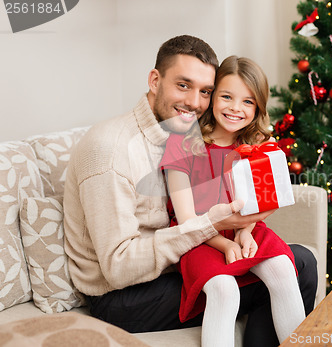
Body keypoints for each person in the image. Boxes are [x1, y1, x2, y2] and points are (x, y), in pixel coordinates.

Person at [63, 35, 318, 347]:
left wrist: (240, 228)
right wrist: (214, 229)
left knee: (293, 260)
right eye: (183, 85)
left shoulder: (182, 131)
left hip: (176, 261)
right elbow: (118, 270)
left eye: (205, 92)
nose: (196, 102)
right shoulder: (111, 151)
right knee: (298, 265)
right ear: (155, 80)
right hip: (123, 296)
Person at [160, 55, 305, 346]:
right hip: (198, 238)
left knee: (284, 270)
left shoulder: (255, 147)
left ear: (258, 106)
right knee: (224, 290)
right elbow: (187, 220)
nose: (236, 108)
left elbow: (260, 204)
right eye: (227, 96)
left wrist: (244, 232)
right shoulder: (183, 142)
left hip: (242, 227)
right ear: (212, 97)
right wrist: (226, 243)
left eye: (248, 102)